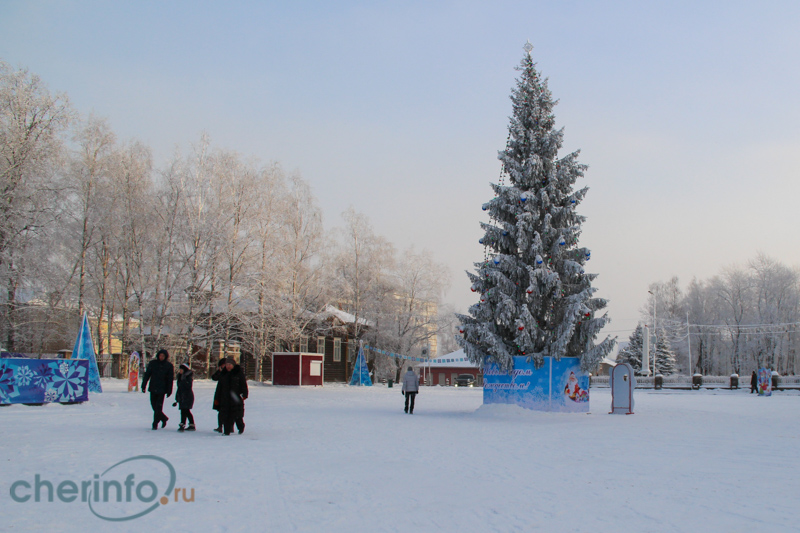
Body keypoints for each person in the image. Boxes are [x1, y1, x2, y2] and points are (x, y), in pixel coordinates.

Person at [212, 356, 248, 435]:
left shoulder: (238, 373)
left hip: (236, 398)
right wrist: (217, 399)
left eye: (230, 364)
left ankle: (241, 427)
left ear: (233, 365)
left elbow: (243, 385)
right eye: (227, 364)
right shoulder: (223, 374)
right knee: (225, 415)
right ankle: (226, 431)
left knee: (237, 415)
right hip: (225, 398)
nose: (228, 366)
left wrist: (244, 395)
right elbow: (219, 387)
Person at [142, 349, 174, 430]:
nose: (161, 357)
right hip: (153, 387)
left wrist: (169, 390)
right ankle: (163, 418)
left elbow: (170, 379)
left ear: (165, 357)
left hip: (162, 389)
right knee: (154, 406)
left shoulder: (169, 365)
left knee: (158, 407)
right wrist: (143, 385)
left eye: (163, 356)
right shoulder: (153, 363)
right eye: (160, 355)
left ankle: (155, 423)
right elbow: (147, 375)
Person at [173, 363, 195, 432]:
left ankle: (182, 424)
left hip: (187, 396)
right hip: (182, 395)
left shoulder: (187, 377)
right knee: (186, 411)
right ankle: (191, 424)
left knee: (184, 410)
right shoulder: (180, 376)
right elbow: (179, 388)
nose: (180, 370)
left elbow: (188, 386)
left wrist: (183, 381)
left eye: (181, 369)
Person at [211, 359, 226, 432]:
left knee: (229, 412)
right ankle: (220, 426)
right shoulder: (220, 372)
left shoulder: (230, 372)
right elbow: (214, 378)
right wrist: (219, 371)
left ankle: (229, 426)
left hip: (228, 393)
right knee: (220, 411)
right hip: (220, 393)